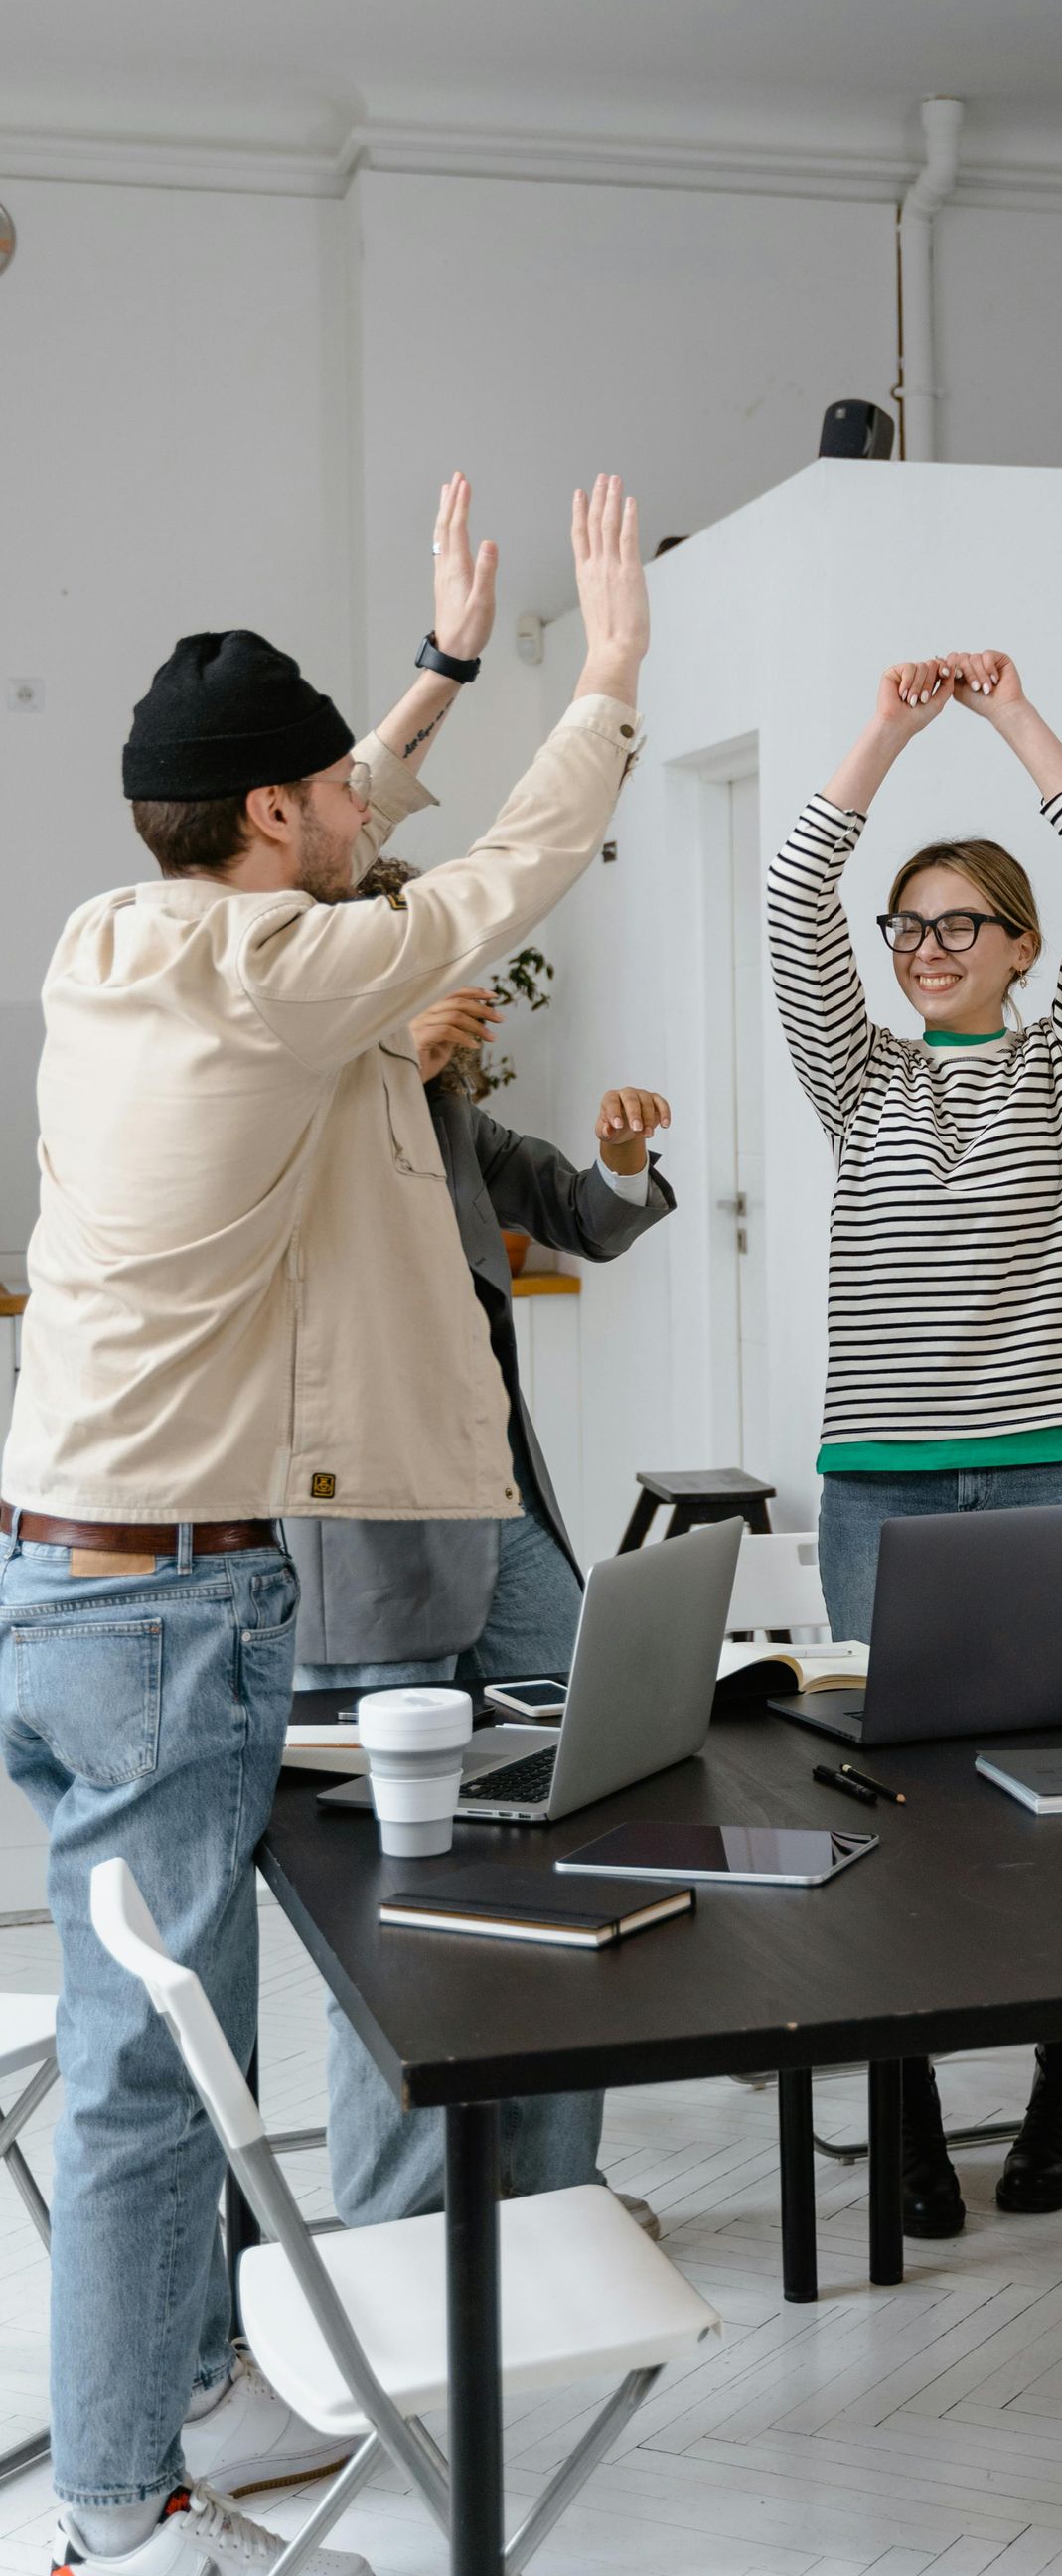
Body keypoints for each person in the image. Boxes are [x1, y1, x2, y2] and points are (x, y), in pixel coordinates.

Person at [4, 471, 651, 2576]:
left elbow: (345, 804)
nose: (347, 808)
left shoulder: (118, 936)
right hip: (172, 1594)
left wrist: (447, 669)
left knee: (170, 2041)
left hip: (61, 1574)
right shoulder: (284, 975)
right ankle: (117, 2533)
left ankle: (186, 2404)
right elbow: (490, 877)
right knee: (138, 2080)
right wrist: (609, 678)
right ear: (267, 825)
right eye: (322, 794)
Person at [766, 648, 1062, 2237]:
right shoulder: (856, 1081)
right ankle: (909, 2101)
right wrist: (881, 736)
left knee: (1060, 1806)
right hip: (885, 1494)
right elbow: (801, 903)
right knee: (899, 1812)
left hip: (1056, 1472)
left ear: (1021, 948)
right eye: (907, 927)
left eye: (958, 926)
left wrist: (1007, 721)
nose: (924, 950)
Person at [285, 915, 674, 2233]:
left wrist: (620, 1162)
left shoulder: (452, 1115)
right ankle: (401, 2233)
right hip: (373, 1542)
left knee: (578, 1829)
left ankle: (557, 2193)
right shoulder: (290, 1096)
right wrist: (380, 1056)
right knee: (399, 1898)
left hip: (496, 1506)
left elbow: (577, 1210)